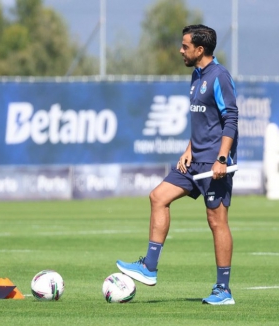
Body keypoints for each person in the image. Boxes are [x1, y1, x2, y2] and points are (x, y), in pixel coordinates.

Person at [116, 24, 238, 305]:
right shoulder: (196, 76)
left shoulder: (220, 76)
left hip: (213, 163)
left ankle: (223, 290)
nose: (180, 50)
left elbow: (230, 119)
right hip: (195, 160)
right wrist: (188, 149)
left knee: (216, 221)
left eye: (185, 46)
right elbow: (204, 122)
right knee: (158, 196)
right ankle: (149, 267)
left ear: (200, 49)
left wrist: (222, 159)